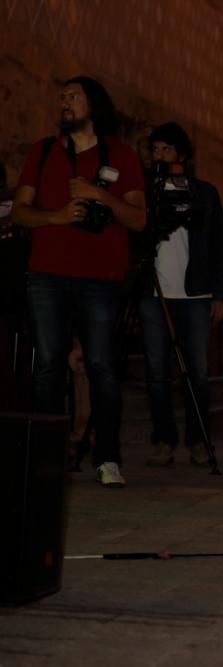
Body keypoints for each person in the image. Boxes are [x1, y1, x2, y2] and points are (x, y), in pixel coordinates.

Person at [12, 76, 146, 488]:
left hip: (101, 279)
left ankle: (108, 458)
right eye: (62, 97)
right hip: (47, 274)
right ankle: (48, 459)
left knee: (102, 366)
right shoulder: (43, 151)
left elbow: (139, 220)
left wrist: (99, 195)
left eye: (73, 96)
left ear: (95, 106)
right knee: (48, 367)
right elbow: (19, 212)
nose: (64, 103)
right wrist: (55, 217)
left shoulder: (122, 155)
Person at [140, 122, 223, 468]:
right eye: (155, 149)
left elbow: (221, 247)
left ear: (182, 155)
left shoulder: (205, 193)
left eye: (166, 149)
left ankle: (198, 440)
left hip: (195, 295)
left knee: (198, 372)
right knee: (156, 371)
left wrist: (221, 296)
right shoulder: (144, 191)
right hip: (154, 293)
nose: (159, 155)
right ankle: (163, 440)